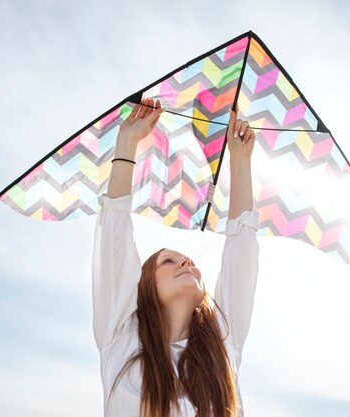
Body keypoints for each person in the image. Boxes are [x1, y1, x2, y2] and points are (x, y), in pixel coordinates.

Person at [92, 97, 259, 417]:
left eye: (188, 261)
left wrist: (240, 161)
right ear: (142, 287)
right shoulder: (122, 338)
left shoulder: (222, 344)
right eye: (169, 261)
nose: (187, 263)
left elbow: (242, 249)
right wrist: (127, 142)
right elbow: (114, 236)